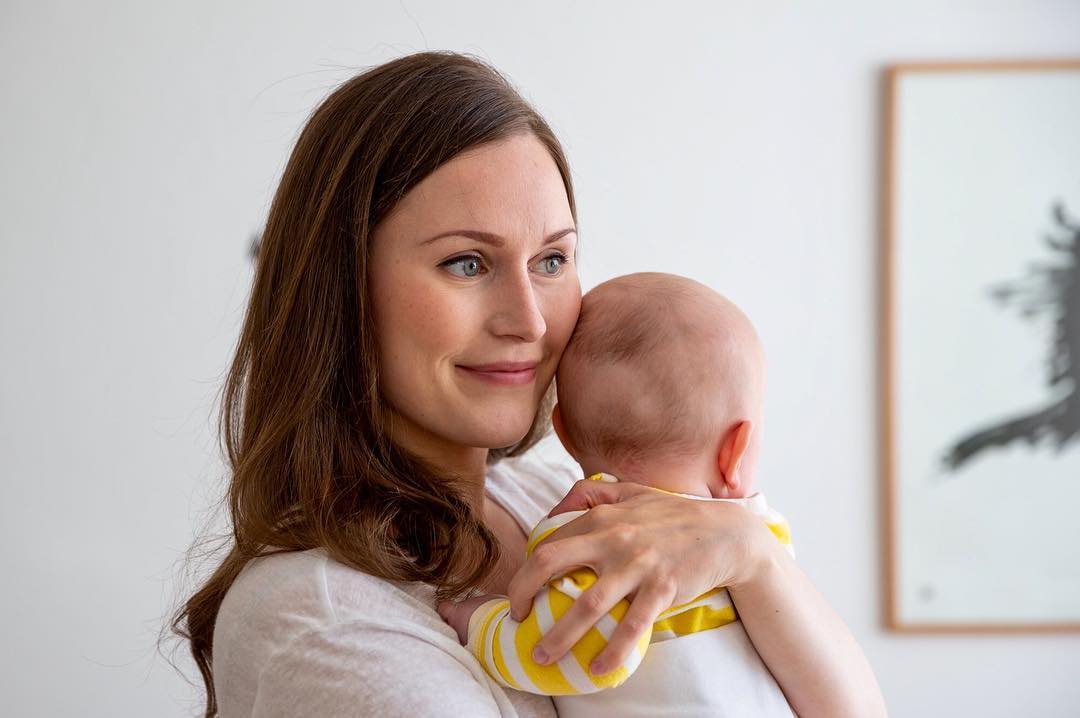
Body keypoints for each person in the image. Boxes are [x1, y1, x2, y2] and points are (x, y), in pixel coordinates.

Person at [170, 51, 887, 717]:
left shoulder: (554, 498)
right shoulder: (320, 616)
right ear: (342, 288)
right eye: (467, 264)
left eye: (551, 261)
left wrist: (755, 556)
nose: (530, 321)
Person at [437, 273, 798, 717]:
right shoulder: (765, 532)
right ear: (734, 451)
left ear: (564, 435)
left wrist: (477, 621)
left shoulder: (587, 542)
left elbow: (551, 655)